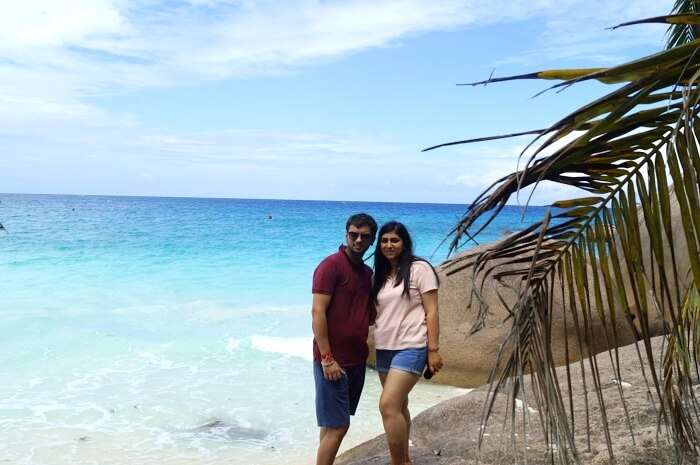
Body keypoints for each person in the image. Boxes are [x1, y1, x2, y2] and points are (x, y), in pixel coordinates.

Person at [371, 221, 443, 465]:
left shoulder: (419, 269)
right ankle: (406, 459)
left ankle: (397, 462)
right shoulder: (380, 275)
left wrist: (433, 351)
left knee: (388, 405)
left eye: (394, 240)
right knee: (399, 405)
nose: (389, 245)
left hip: (411, 346)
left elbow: (432, 311)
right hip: (384, 348)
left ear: (404, 243)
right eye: (384, 240)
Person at [311, 213, 378, 465]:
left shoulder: (366, 273)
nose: (358, 240)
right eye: (353, 234)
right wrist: (327, 359)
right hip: (332, 361)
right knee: (339, 426)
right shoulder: (330, 266)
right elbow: (318, 312)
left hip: (356, 360)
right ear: (346, 234)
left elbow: (367, 314)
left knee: (332, 425)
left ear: (371, 240)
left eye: (364, 236)